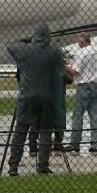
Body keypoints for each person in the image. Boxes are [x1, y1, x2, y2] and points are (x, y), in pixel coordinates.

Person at [6, 22, 65, 176]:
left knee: (21, 131)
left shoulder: (24, 51)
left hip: (28, 95)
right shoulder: (54, 52)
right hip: (47, 97)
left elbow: (10, 45)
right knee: (46, 132)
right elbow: (61, 73)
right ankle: (42, 165)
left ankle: (13, 166)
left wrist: (27, 40)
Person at [67, 33, 97, 155]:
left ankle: (75, 145)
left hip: (84, 85)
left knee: (78, 116)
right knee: (94, 116)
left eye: (79, 42)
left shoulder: (81, 53)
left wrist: (65, 66)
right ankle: (95, 145)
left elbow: (74, 72)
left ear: (83, 42)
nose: (78, 45)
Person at [28, 64, 73, 156]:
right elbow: (69, 80)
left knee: (37, 120)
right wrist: (67, 70)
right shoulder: (59, 68)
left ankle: (33, 144)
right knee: (58, 119)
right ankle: (57, 142)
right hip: (57, 96)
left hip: (42, 95)